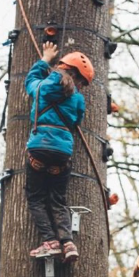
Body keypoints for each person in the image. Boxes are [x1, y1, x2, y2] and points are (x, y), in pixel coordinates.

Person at [24, 41, 94, 262]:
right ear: (76, 76)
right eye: (81, 82)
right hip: (62, 154)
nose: (81, 87)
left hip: (39, 148)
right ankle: (68, 242)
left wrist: (45, 59)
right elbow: (76, 120)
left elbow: (29, 83)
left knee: (36, 198)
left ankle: (50, 241)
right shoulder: (78, 99)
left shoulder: (42, 87)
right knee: (57, 200)